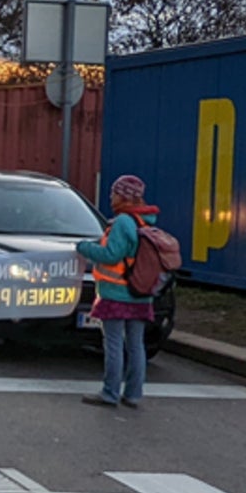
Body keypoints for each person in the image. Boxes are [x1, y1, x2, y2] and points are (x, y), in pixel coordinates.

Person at [76, 174, 158, 409]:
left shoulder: (123, 222)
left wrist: (84, 248)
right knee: (136, 345)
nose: (111, 196)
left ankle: (110, 393)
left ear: (123, 196)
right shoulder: (146, 221)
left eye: (114, 192)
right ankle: (133, 394)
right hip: (141, 293)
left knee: (113, 344)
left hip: (117, 293)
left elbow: (111, 255)